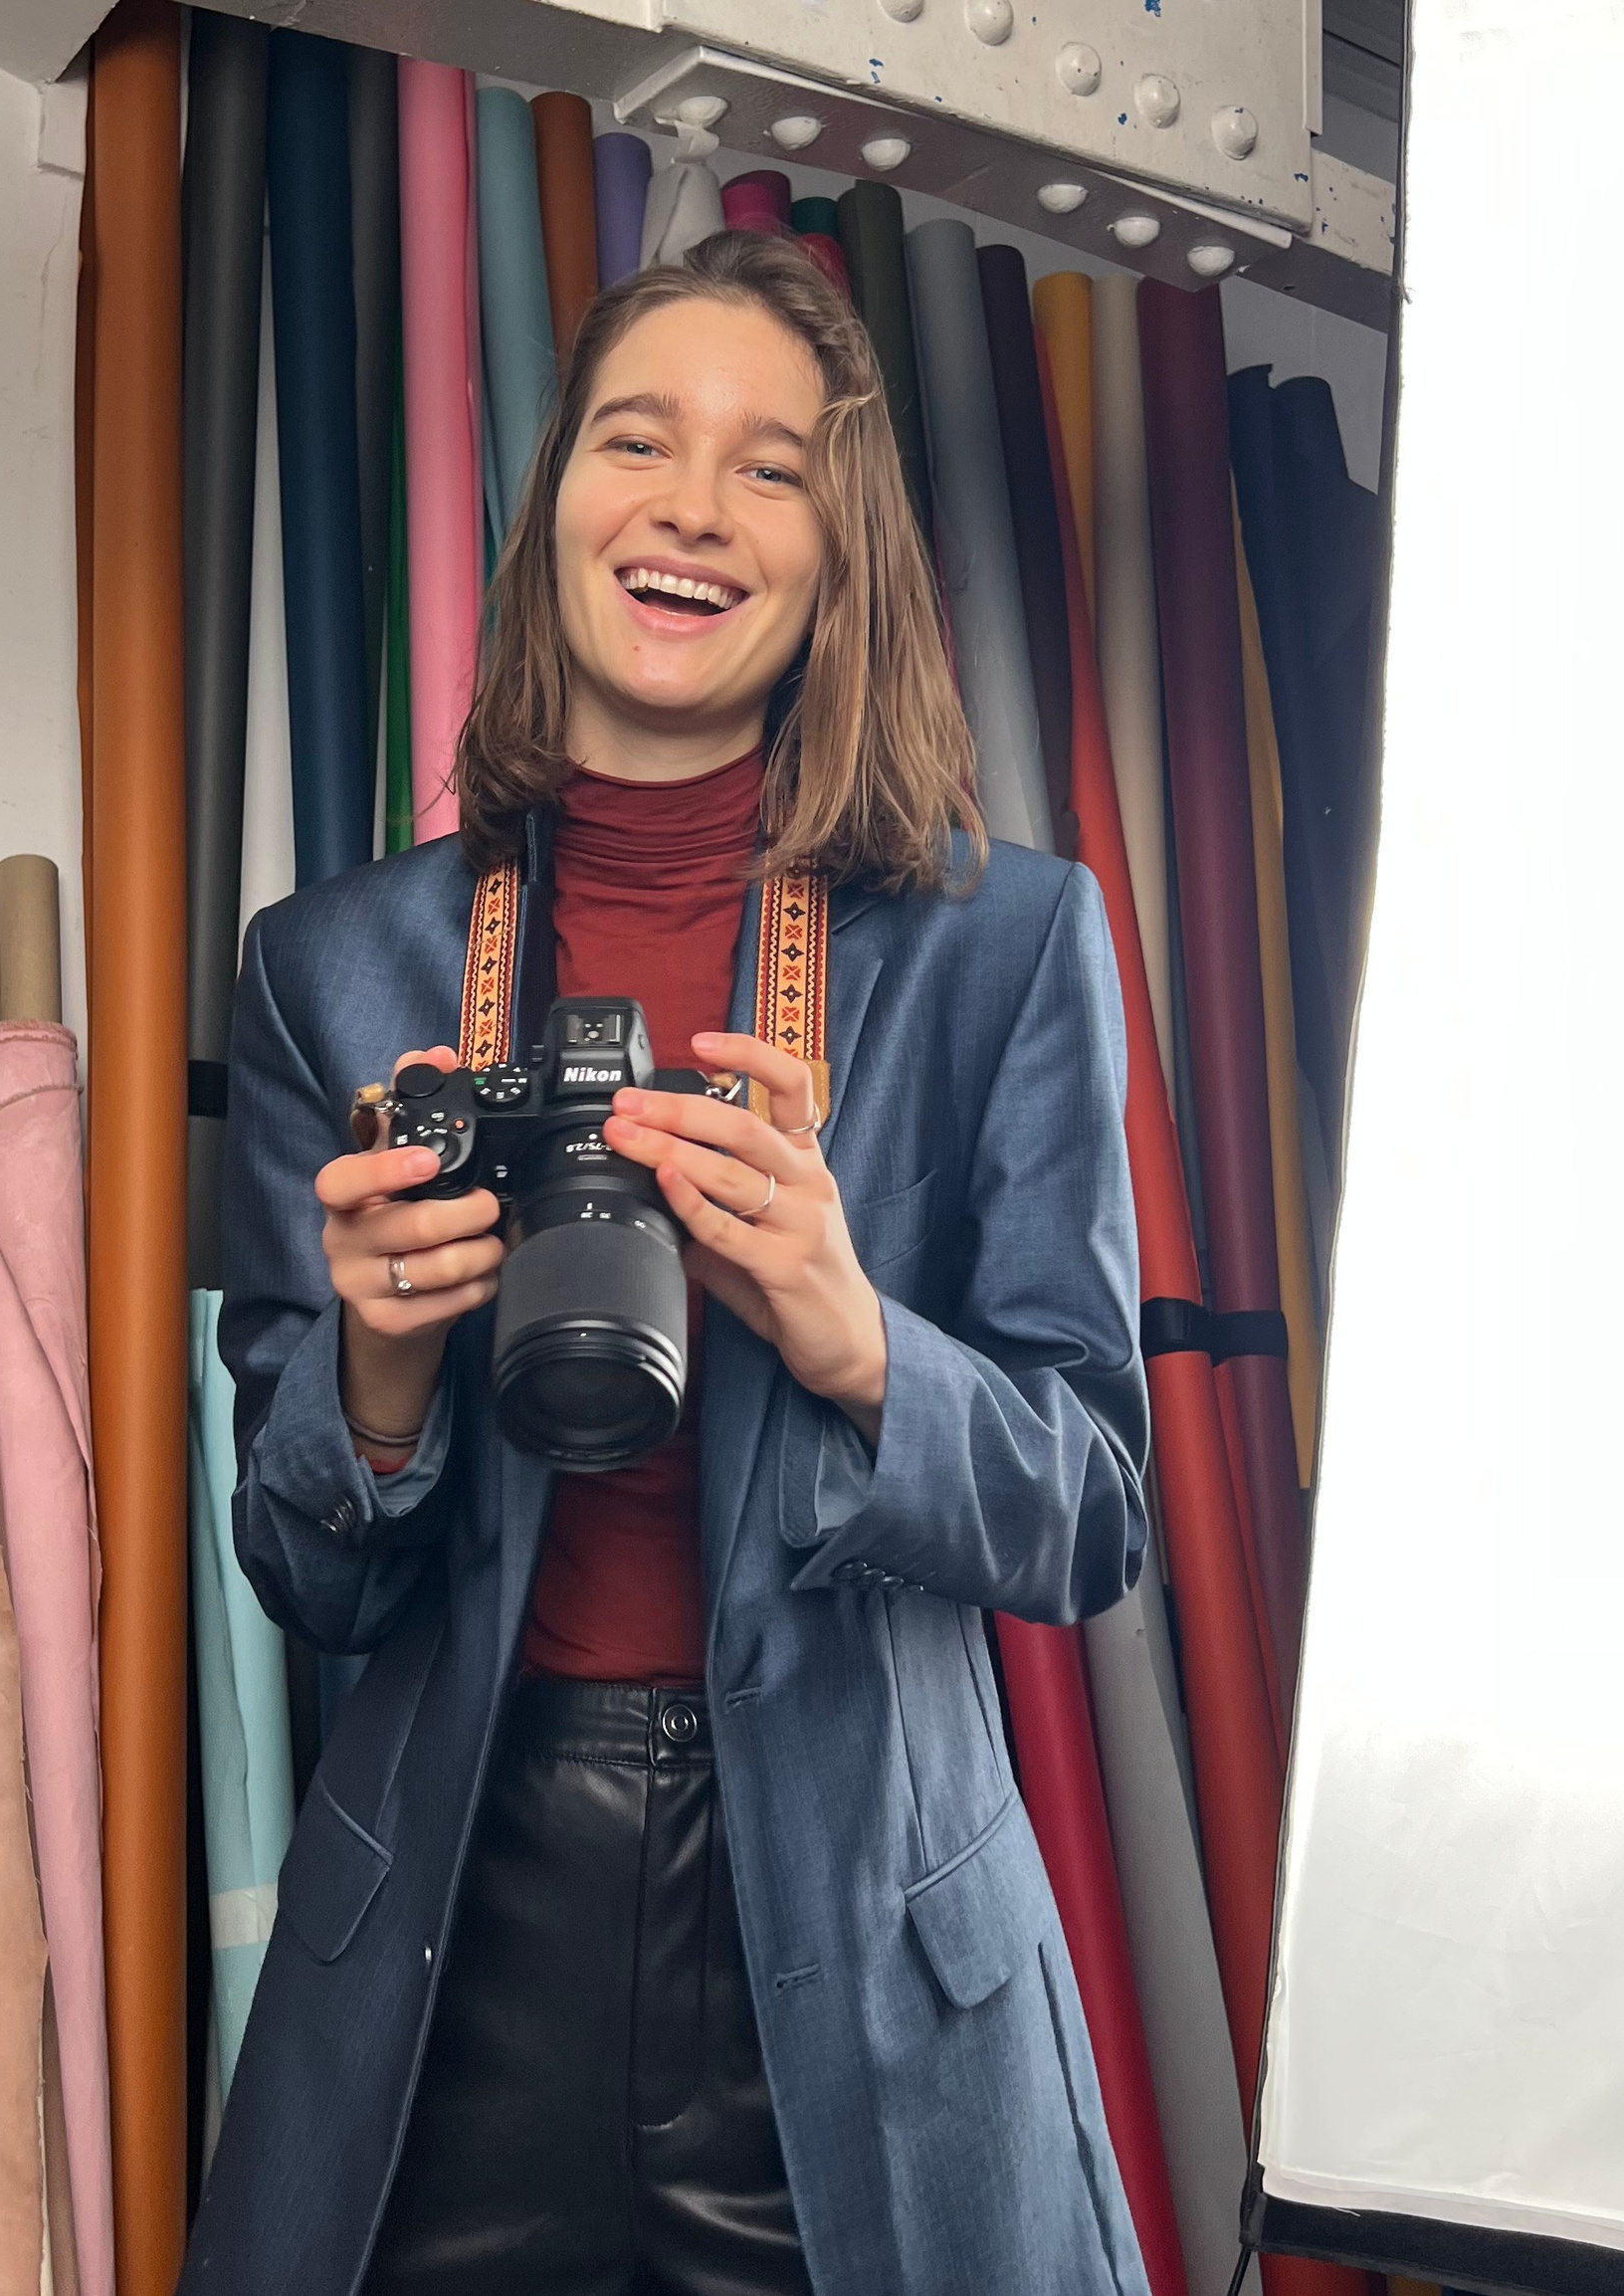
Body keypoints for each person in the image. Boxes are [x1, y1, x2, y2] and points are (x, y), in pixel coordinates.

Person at [181, 231, 1151, 2296]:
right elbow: (309, 1575)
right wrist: (367, 1374)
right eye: (639, 438)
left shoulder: (999, 946)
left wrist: (849, 1326)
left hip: (855, 1929)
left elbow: (1089, 1509)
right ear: (557, 510)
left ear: (833, 554)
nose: (692, 505)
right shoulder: (332, 969)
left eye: (769, 465)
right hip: (454, 1919)